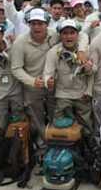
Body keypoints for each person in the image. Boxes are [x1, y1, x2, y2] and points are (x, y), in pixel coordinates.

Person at [10, 8, 88, 140]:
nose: (36, 27)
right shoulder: (20, 43)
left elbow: (81, 35)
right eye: (33, 23)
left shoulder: (54, 34)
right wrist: (32, 81)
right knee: (37, 121)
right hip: (33, 88)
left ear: (47, 24)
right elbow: (16, 68)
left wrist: (81, 50)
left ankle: (58, 145)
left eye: (40, 23)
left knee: (57, 119)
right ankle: (42, 149)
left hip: (54, 86)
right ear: (29, 24)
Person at [44, 19, 94, 133]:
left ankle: (88, 147)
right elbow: (47, 72)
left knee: (86, 126)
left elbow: (93, 74)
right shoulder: (53, 52)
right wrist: (48, 81)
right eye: (65, 33)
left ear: (77, 35)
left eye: (72, 33)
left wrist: (88, 90)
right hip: (63, 94)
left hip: (82, 94)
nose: (69, 36)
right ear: (60, 35)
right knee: (59, 125)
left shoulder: (86, 50)